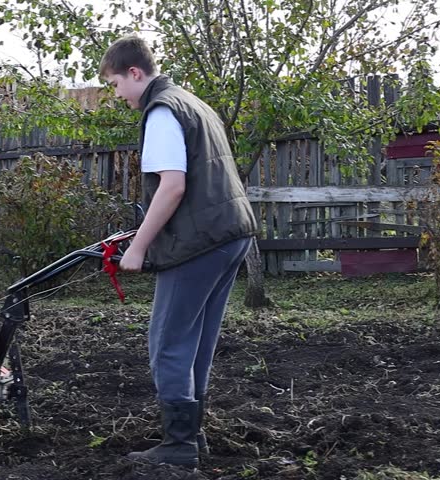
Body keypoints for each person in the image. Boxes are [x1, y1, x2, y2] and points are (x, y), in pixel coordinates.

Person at [99, 36, 257, 468]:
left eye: (115, 84)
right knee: (198, 339)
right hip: (229, 233)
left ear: (135, 73)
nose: (118, 96)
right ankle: (192, 435)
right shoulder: (193, 102)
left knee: (168, 341)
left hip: (200, 241)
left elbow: (172, 186)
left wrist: (139, 246)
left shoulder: (161, 110)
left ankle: (179, 445)